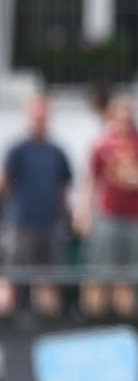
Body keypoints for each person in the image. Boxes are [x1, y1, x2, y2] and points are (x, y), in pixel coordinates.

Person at [75, 93, 138, 318]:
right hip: (107, 215)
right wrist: (84, 212)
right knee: (98, 275)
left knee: (129, 279)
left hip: (134, 217)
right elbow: (90, 180)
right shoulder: (101, 144)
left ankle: (125, 323)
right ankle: (92, 324)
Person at [0, 92, 73, 317]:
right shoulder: (17, 150)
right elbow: (5, 185)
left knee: (48, 283)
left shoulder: (57, 152)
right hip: (20, 226)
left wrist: (66, 219)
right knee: (11, 280)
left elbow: (63, 189)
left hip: (49, 226)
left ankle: (47, 330)